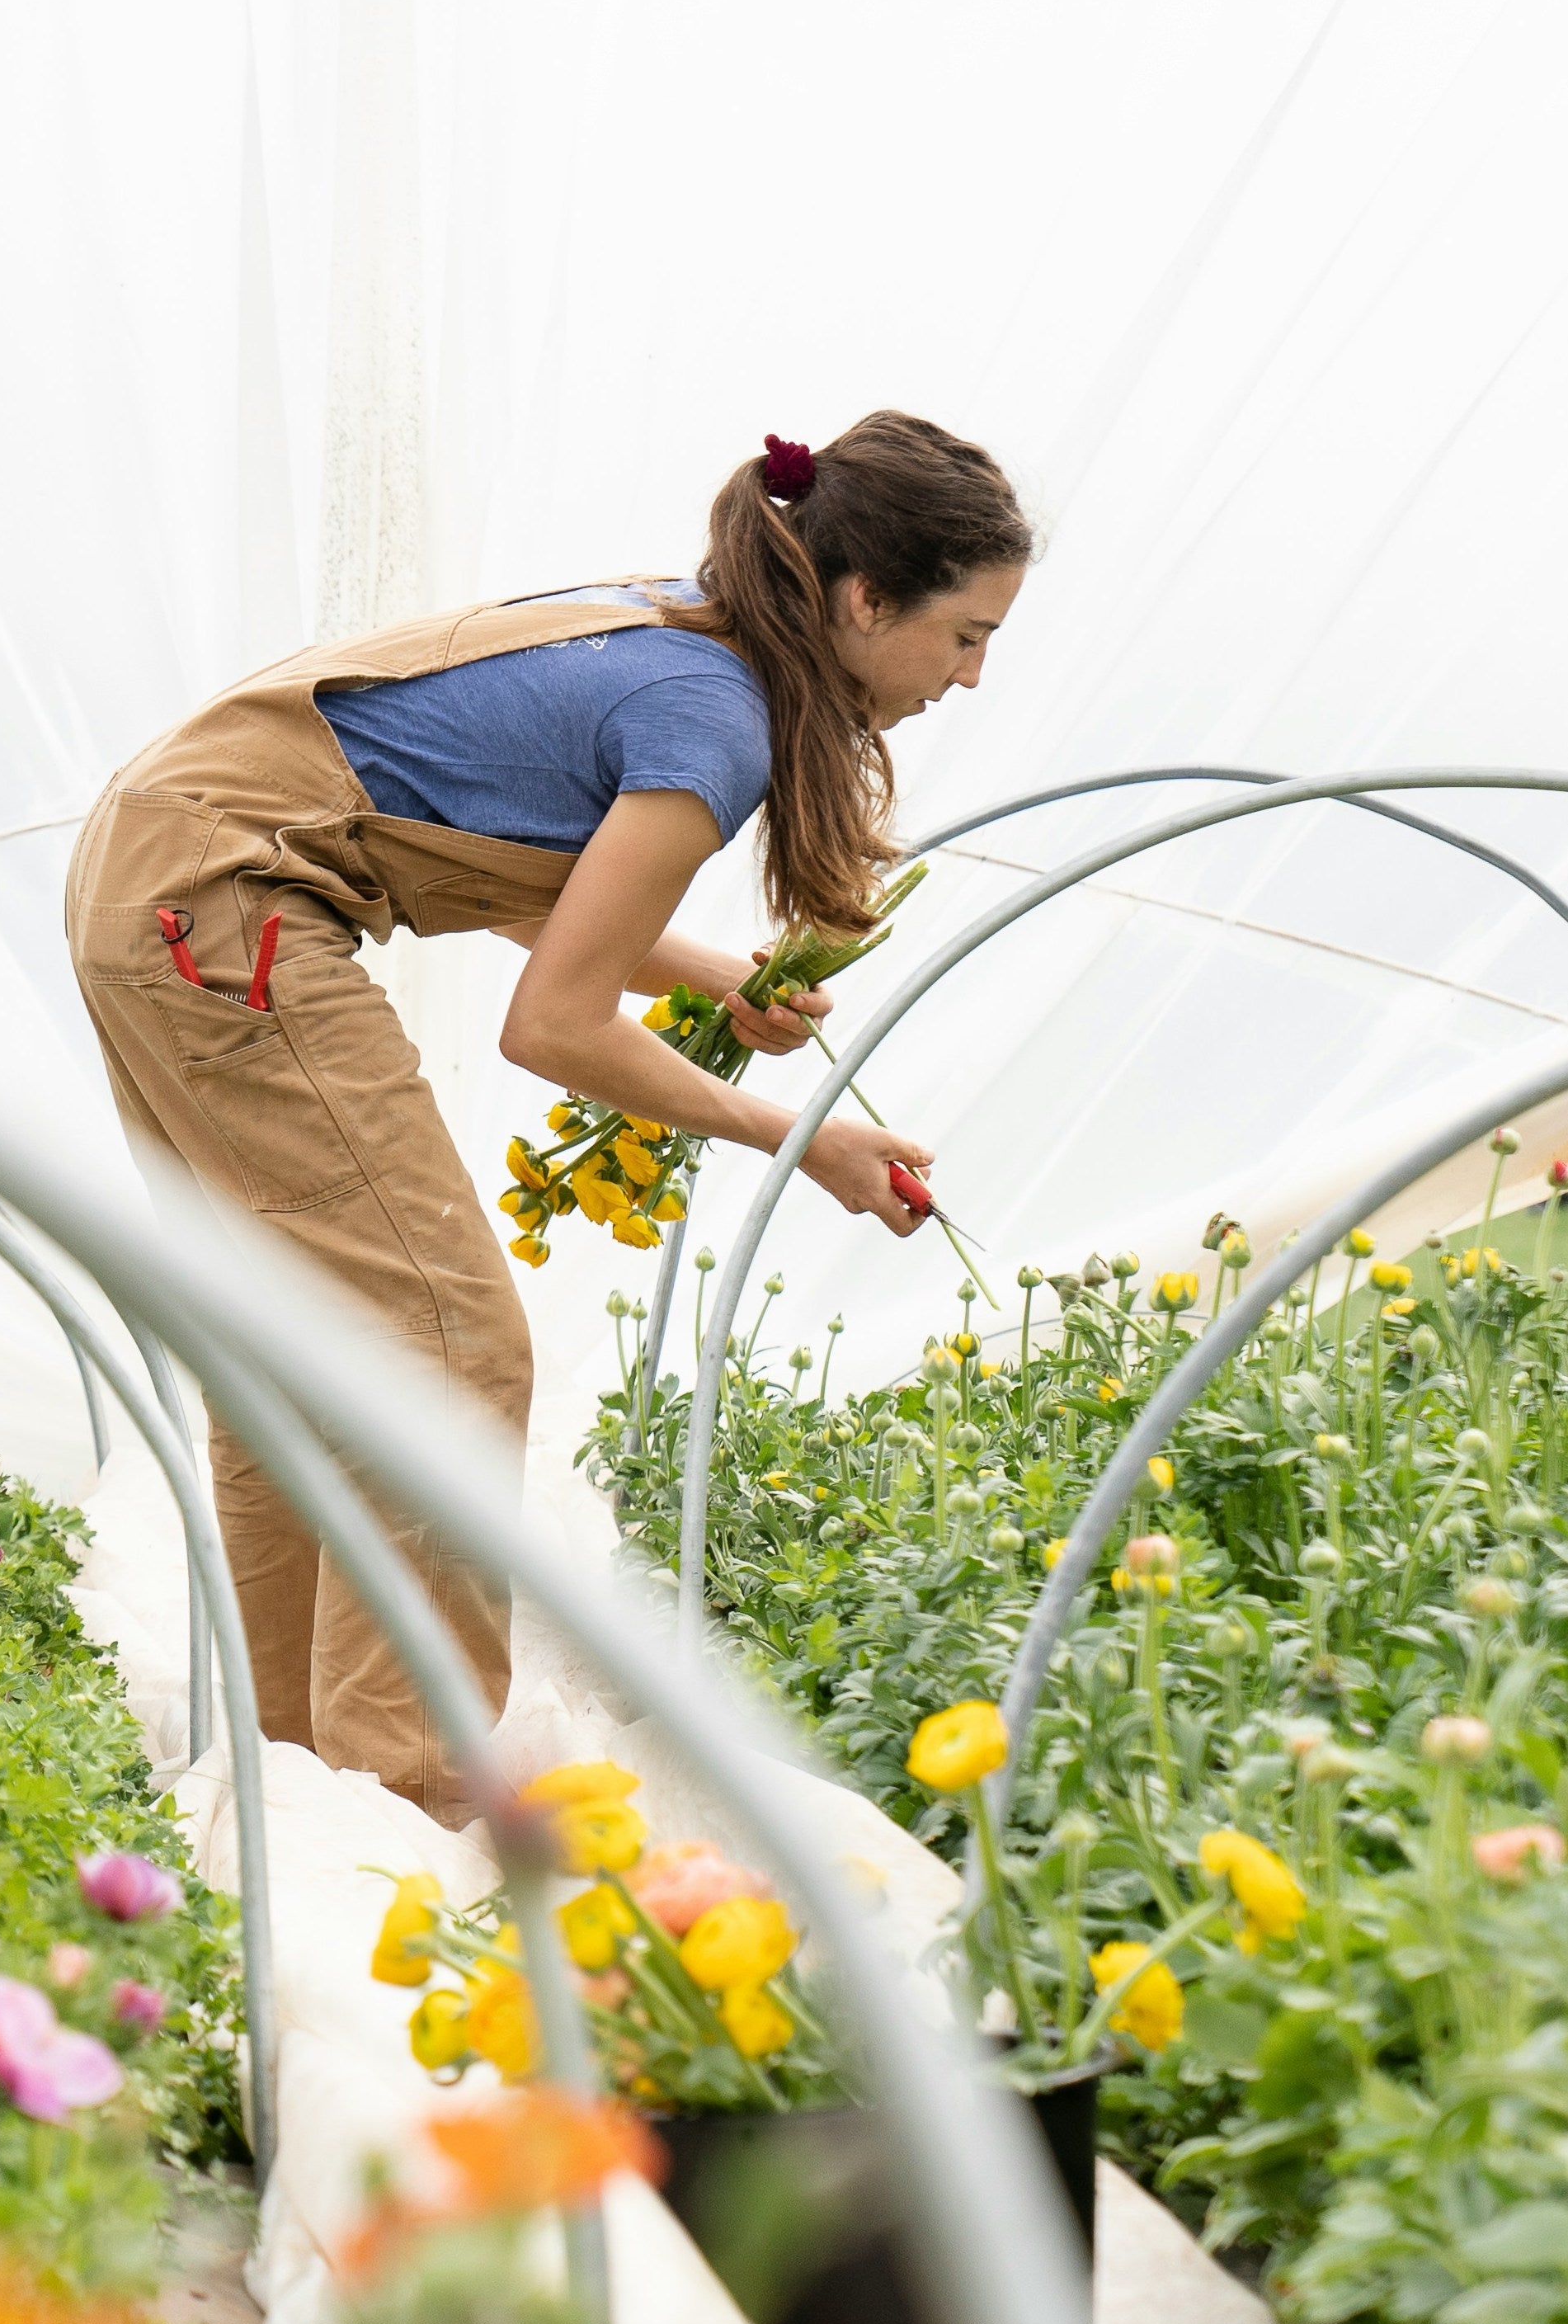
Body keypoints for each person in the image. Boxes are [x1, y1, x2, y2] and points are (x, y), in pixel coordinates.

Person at [64, 411, 1030, 1819]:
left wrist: (708, 976)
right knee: (452, 1345)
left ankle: (290, 1790)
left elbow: (511, 874)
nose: (972, 675)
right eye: (964, 634)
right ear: (867, 599)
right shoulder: (715, 718)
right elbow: (555, 1026)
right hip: (223, 905)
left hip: (158, 874)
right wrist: (804, 1141)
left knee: (294, 1352)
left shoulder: (678, 629)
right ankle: (406, 1796)